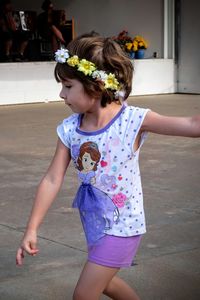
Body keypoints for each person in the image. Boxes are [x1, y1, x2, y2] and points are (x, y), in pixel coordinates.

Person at [16, 33, 200, 300]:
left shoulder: (133, 120)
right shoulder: (70, 128)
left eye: (68, 86)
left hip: (123, 227)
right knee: (106, 284)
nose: (61, 94)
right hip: (94, 224)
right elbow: (52, 179)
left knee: (83, 294)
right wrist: (31, 228)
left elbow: (193, 126)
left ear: (95, 85)